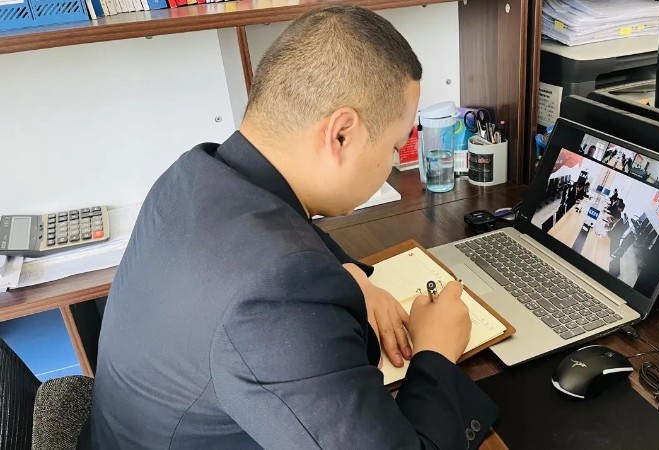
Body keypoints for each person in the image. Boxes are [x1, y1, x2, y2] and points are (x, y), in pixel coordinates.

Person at [80, 6, 497, 449]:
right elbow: (278, 275)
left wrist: (354, 278)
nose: (393, 162)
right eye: (395, 147)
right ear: (341, 134)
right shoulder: (277, 294)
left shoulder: (193, 175)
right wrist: (436, 351)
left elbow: (280, 233)